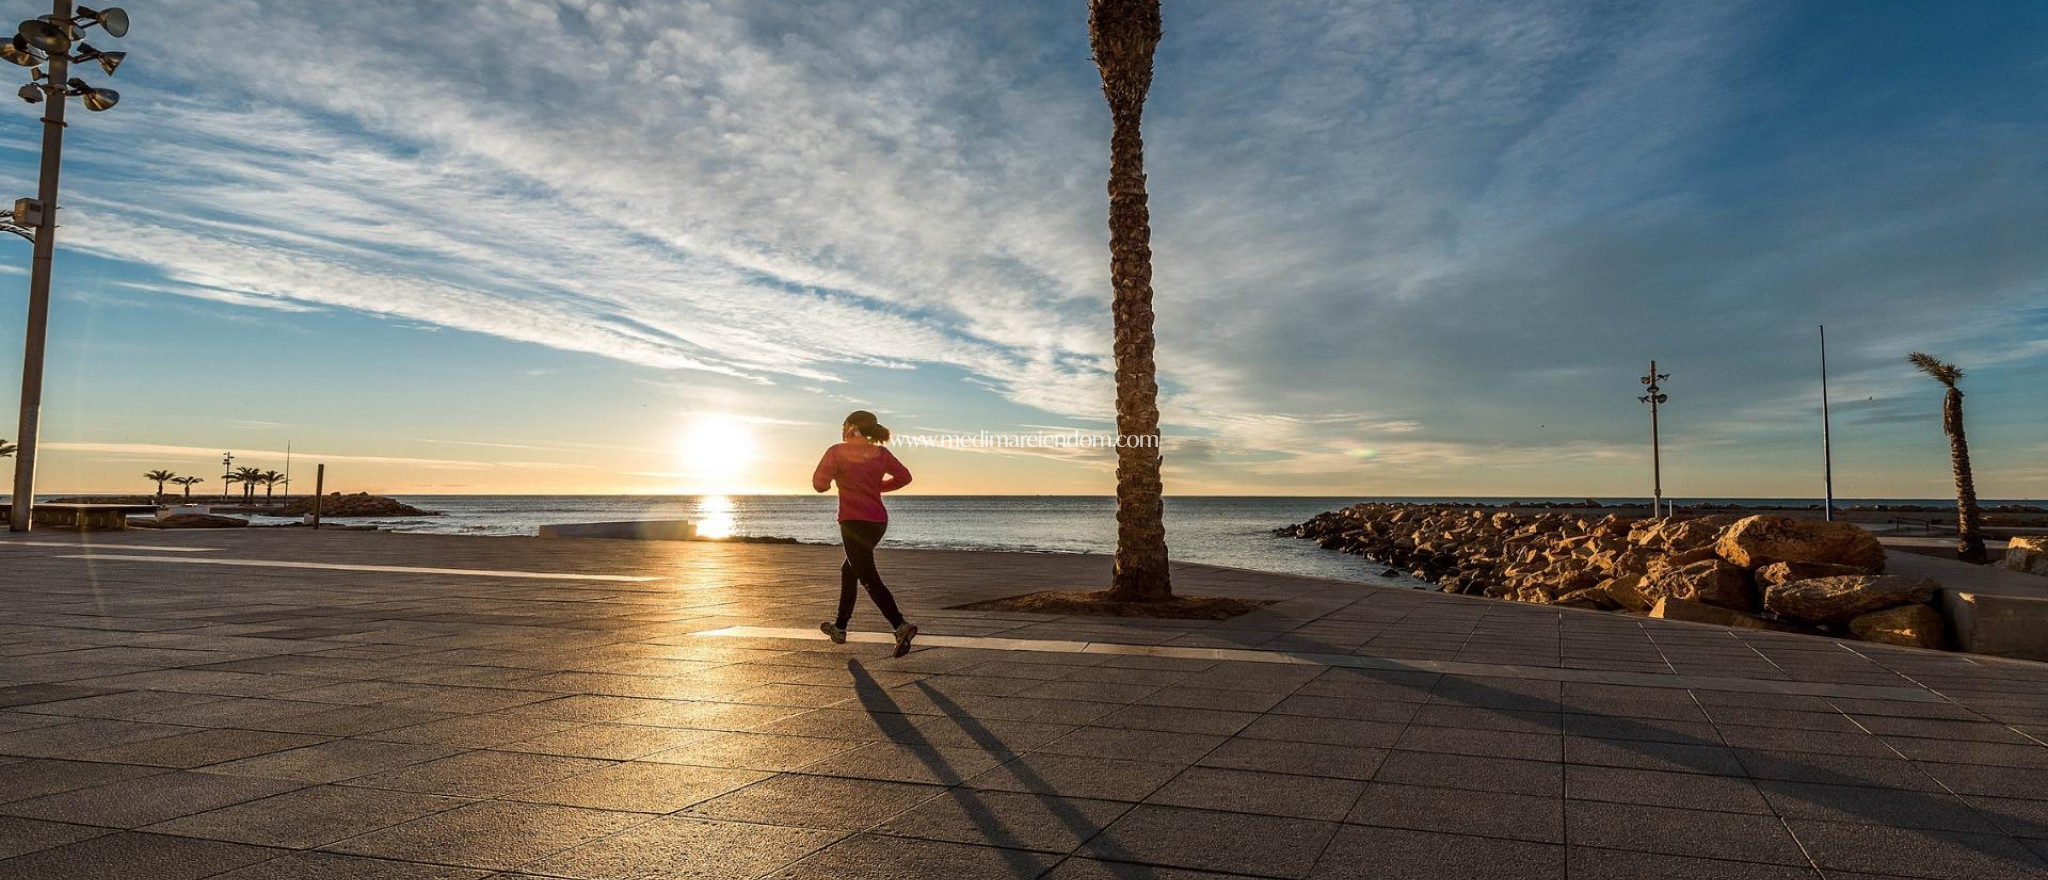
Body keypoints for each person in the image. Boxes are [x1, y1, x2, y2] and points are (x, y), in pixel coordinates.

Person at [812, 410, 918, 657]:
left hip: (853, 522)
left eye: (843, 424)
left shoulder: (837, 451)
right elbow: (905, 477)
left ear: (851, 426)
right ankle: (840, 628)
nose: (841, 428)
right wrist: (877, 486)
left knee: (867, 576)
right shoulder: (880, 452)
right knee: (849, 570)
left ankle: (900, 625)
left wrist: (833, 479)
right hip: (878, 522)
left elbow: (819, 485)